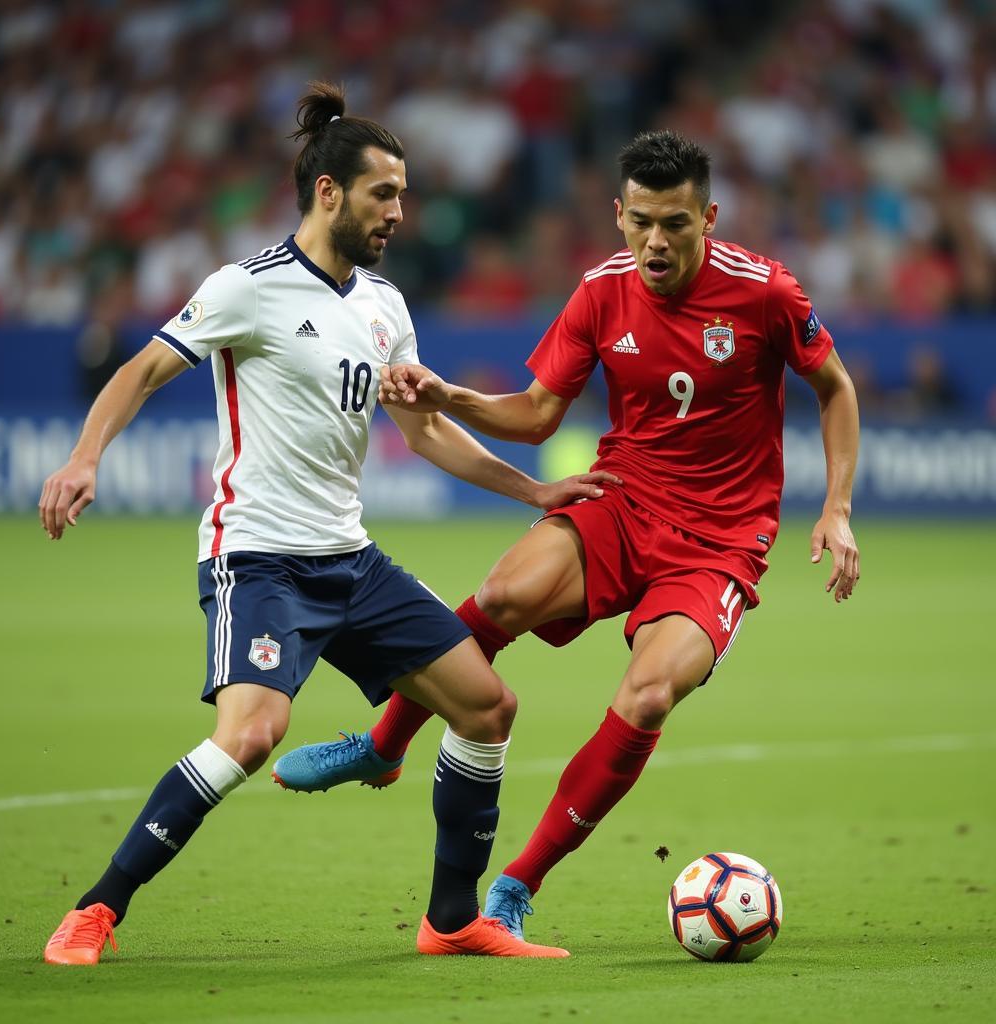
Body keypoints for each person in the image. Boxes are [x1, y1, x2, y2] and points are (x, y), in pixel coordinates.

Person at [37, 82, 622, 965]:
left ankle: (453, 921)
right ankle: (96, 909)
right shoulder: (248, 288)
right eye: (384, 193)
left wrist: (533, 492)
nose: (398, 211)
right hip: (259, 560)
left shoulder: (385, 306)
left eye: (403, 194)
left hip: (349, 561)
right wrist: (85, 458)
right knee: (251, 733)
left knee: (487, 706)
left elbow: (425, 431)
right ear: (328, 192)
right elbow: (140, 373)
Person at [272, 128, 861, 948]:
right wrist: (452, 396)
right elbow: (538, 411)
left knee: (650, 694)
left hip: (721, 541)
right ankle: (383, 745)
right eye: (642, 222)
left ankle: (518, 882)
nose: (657, 242)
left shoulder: (766, 293)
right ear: (619, 215)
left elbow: (834, 388)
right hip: (623, 501)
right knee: (506, 593)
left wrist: (834, 506)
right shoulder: (600, 291)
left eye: (677, 225)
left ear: (709, 218)